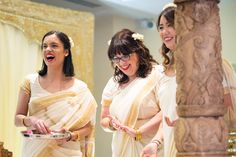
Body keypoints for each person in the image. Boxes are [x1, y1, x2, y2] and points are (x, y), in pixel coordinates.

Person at [141, 3, 236, 157]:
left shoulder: (208, 63)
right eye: (161, 27)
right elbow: (167, 117)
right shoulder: (162, 73)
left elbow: (226, 104)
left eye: (170, 25)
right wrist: (155, 142)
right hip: (172, 147)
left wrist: (189, 122)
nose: (165, 31)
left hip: (200, 145)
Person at [14, 30, 97, 157]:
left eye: (54, 45)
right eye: (45, 46)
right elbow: (17, 119)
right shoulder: (30, 82)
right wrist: (30, 120)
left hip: (69, 152)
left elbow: (88, 128)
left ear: (66, 52)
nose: (48, 49)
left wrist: (70, 136)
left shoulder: (80, 89)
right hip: (35, 151)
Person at [100, 28, 164, 157]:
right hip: (121, 146)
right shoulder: (114, 82)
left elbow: (167, 111)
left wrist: (140, 132)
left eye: (125, 56)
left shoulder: (157, 74)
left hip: (151, 145)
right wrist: (112, 124)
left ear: (138, 52)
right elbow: (104, 119)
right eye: (116, 59)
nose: (121, 63)